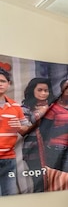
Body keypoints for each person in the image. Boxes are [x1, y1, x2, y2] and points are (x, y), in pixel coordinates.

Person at [40, 78, 68, 174]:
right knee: (61, 181)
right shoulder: (53, 108)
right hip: (58, 150)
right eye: (65, 88)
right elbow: (45, 132)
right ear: (60, 91)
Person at [0, 68, 29, 196]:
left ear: (8, 84)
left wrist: (19, 127)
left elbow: (26, 131)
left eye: (2, 81)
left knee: (10, 196)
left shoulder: (16, 106)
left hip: (9, 160)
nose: (0, 84)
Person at [21, 77, 53, 193]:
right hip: (32, 151)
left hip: (52, 150)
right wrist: (43, 109)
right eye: (40, 90)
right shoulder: (24, 108)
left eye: (46, 90)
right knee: (39, 183)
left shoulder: (53, 107)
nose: (43, 93)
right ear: (32, 90)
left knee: (53, 182)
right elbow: (27, 125)